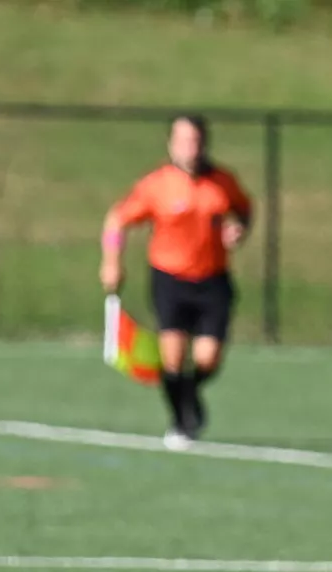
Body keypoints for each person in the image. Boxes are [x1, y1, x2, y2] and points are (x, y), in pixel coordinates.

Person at [100, 115, 250, 449]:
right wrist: (111, 261)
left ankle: (189, 395)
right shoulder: (157, 185)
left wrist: (237, 230)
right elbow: (116, 219)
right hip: (170, 280)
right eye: (183, 141)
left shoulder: (223, 182)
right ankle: (181, 421)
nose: (190, 149)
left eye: (195, 141)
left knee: (208, 359)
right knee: (171, 359)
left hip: (213, 280)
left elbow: (242, 210)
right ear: (171, 145)